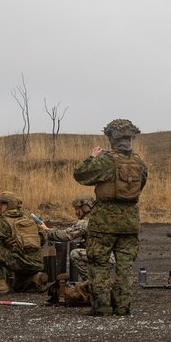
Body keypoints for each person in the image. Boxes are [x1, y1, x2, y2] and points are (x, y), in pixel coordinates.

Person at [73, 119, 148, 316]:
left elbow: (80, 174)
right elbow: (141, 185)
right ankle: (123, 307)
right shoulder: (139, 162)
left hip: (104, 222)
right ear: (131, 138)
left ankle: (102, 306)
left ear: (111, 138)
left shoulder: (106, 161)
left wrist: (92, 157)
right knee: (124, 266)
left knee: (98, 263)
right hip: (130, 221)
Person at [40, 195, 111, 281]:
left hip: (104, 256)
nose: (75, 212)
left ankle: (93, 283)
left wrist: (47, 230)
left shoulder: (85, 223)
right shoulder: (101, 218)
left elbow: (65, 235)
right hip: (109, 254)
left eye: (77, 209)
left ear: (85, 208)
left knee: (75, 254)